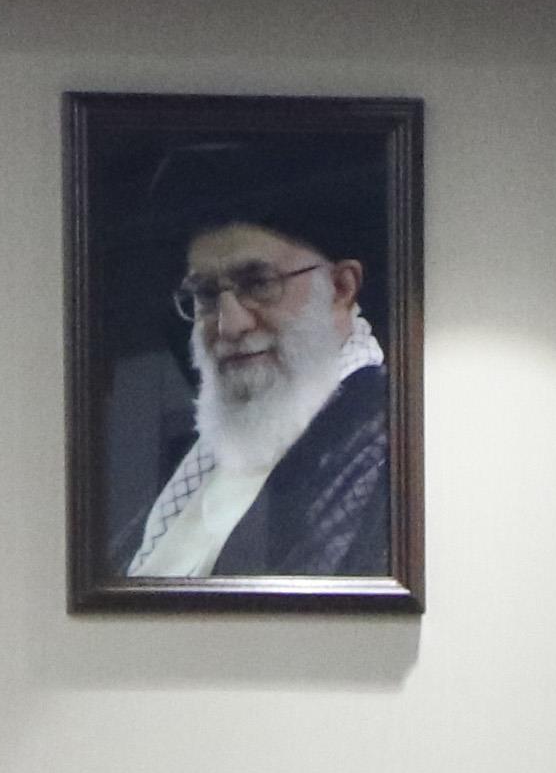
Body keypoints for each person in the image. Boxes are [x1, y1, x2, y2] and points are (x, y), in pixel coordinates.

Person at [109, 144, 395, 582]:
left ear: (340, 288)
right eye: (207, 294)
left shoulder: (383, 441)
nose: (230, 325)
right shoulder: (207, 458)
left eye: (259, 283)